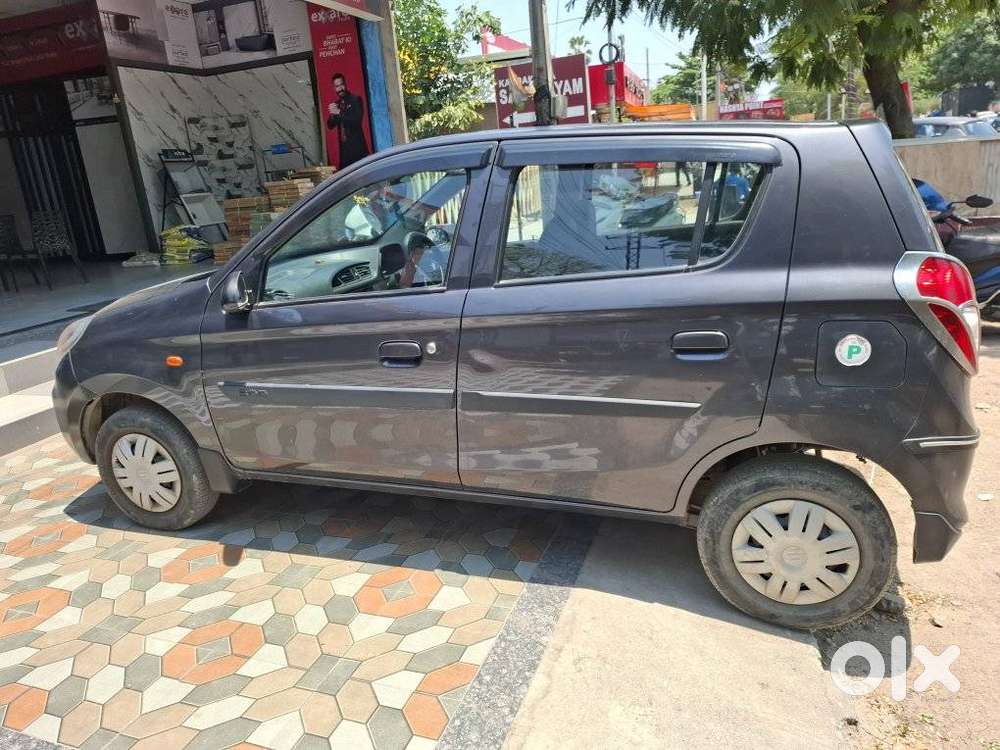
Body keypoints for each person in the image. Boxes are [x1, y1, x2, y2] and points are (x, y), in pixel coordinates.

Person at [326, 72, 370, 169]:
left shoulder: (356, 100)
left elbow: (356, 121)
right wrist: (332, 114)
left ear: (345, 84)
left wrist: (339, 113)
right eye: (337, 86)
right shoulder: (337, 104)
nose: (340, 88)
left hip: (358, 151)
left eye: (341, 85)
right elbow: (330, 125)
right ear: (334, 88)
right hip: (344, 153)